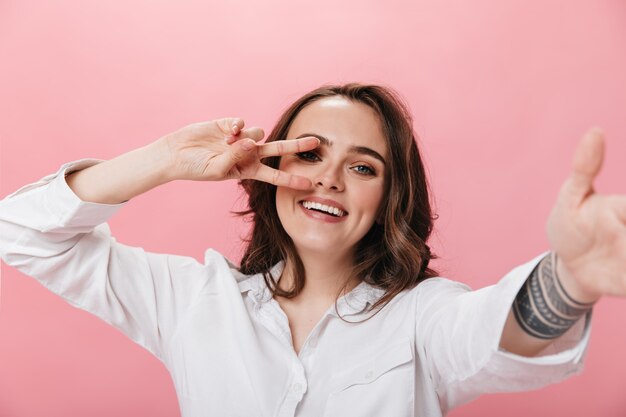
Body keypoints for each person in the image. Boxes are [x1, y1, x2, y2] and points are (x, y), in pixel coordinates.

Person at [0, 83, 622, 417]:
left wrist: (570, 279)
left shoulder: (424, 318)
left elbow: (496, 333)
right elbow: (20, 232)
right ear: (269, 167)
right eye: (311, 153)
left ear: (391, 198)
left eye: (363, 167)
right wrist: (166, 161)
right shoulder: (194, 302)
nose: (328, 178)